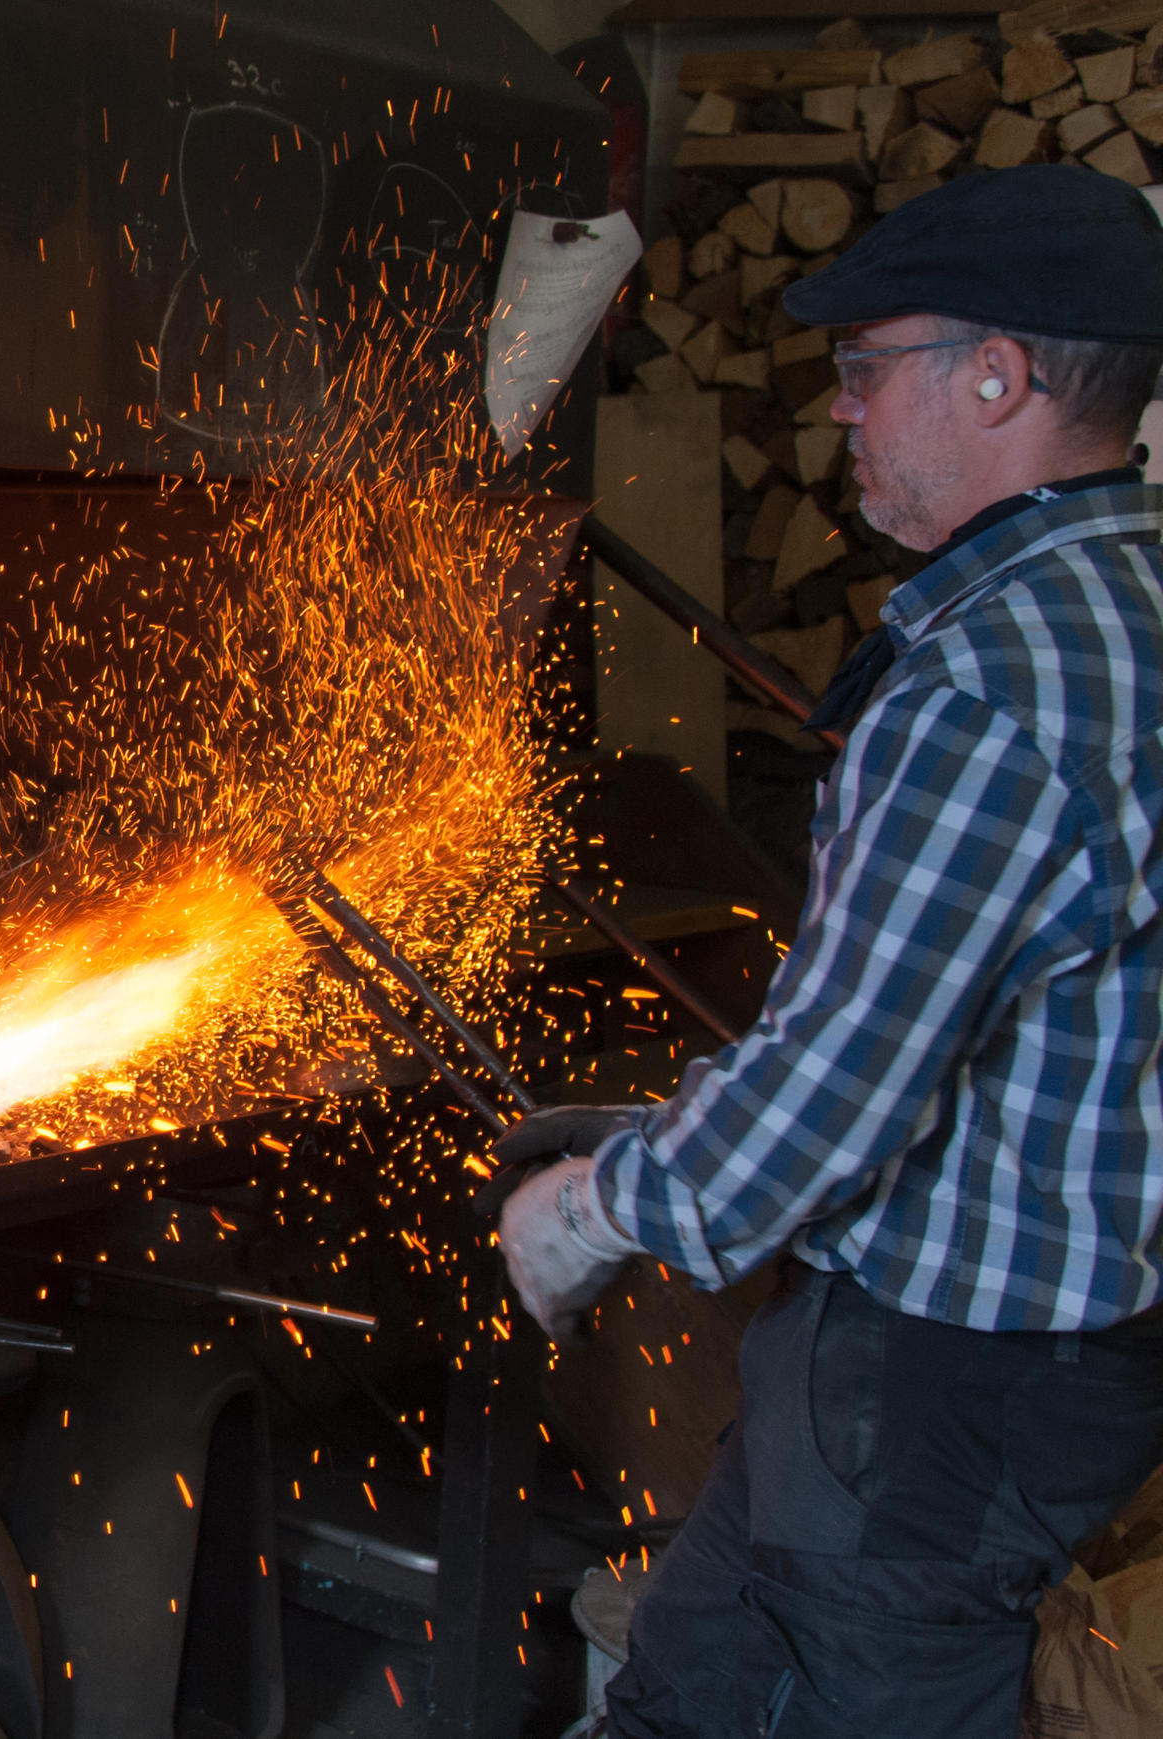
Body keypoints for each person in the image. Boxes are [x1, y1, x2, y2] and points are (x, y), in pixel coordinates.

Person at [496, 163, 1163, 1738]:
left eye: (869, 370)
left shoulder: (992, 686)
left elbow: (847, 1086)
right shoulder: (1129, 605)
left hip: (940, 1388)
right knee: (690, 1687)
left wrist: (596, 1211)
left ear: (997, 377)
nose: (843, 413)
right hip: (1057, 1352)